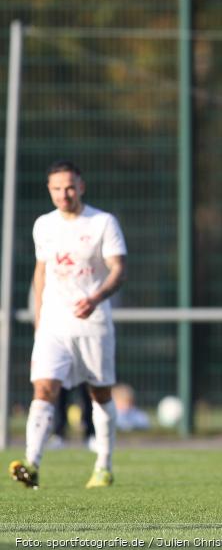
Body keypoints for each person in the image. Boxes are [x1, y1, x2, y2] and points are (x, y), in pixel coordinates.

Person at [9, 161, 127, 489]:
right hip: (54, 324)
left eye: (70, 187)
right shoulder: (44, 225)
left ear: (82, 186)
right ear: (50, 190)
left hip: (93, 323)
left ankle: (103, 464)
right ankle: (31, 464)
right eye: (57, 188)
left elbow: (118, 268)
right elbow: (41, 271)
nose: (65, 194)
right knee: (44, 388)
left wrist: (95, 297)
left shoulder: (103, 223)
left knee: (100, 393)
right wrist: (40, 317)